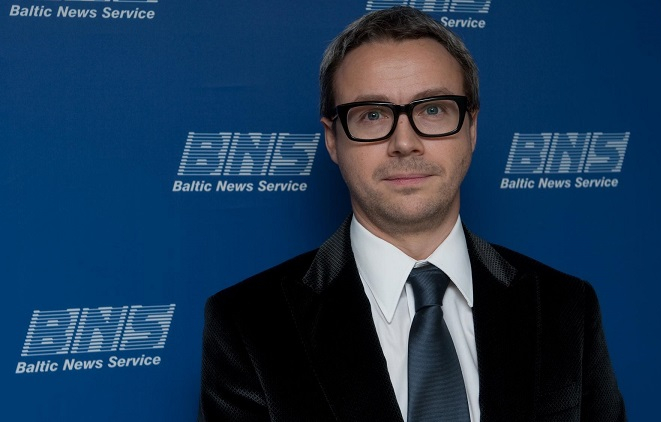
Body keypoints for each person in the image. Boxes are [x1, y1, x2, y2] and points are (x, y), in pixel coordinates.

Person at [198, 6, 626, 421]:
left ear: (471, 127)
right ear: (332, 140)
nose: (404, 143)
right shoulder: (250, 324)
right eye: (372, 115)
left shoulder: (565, 307)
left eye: (433, 109)